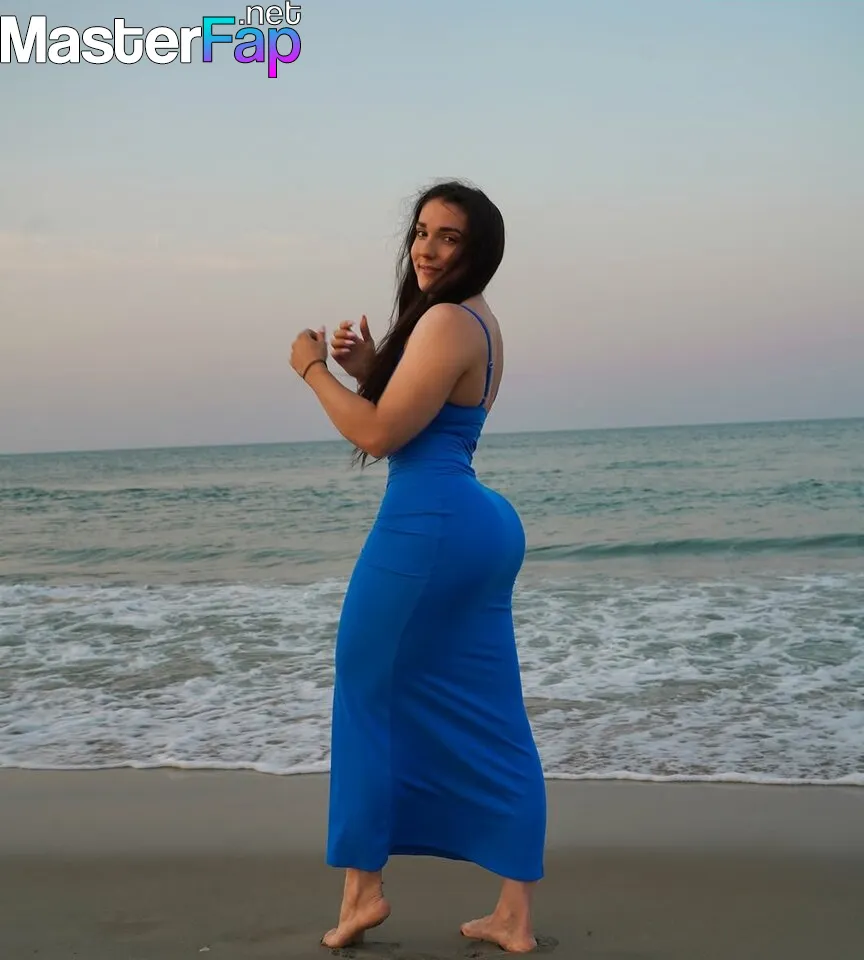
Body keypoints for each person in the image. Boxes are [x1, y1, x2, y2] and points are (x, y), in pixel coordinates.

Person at [290, 180, 546, 954]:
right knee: (493, 714)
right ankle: (514, 915)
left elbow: (377, 435)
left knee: (365, 691)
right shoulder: (478, 321)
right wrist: (372, 365)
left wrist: (313, 370)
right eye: (422, 231)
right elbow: (421, 414)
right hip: (475, 525)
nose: (427, 249)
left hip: (427, 526)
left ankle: (362, 893)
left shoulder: (446, 319)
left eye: (449, 237)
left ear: (478, 250)